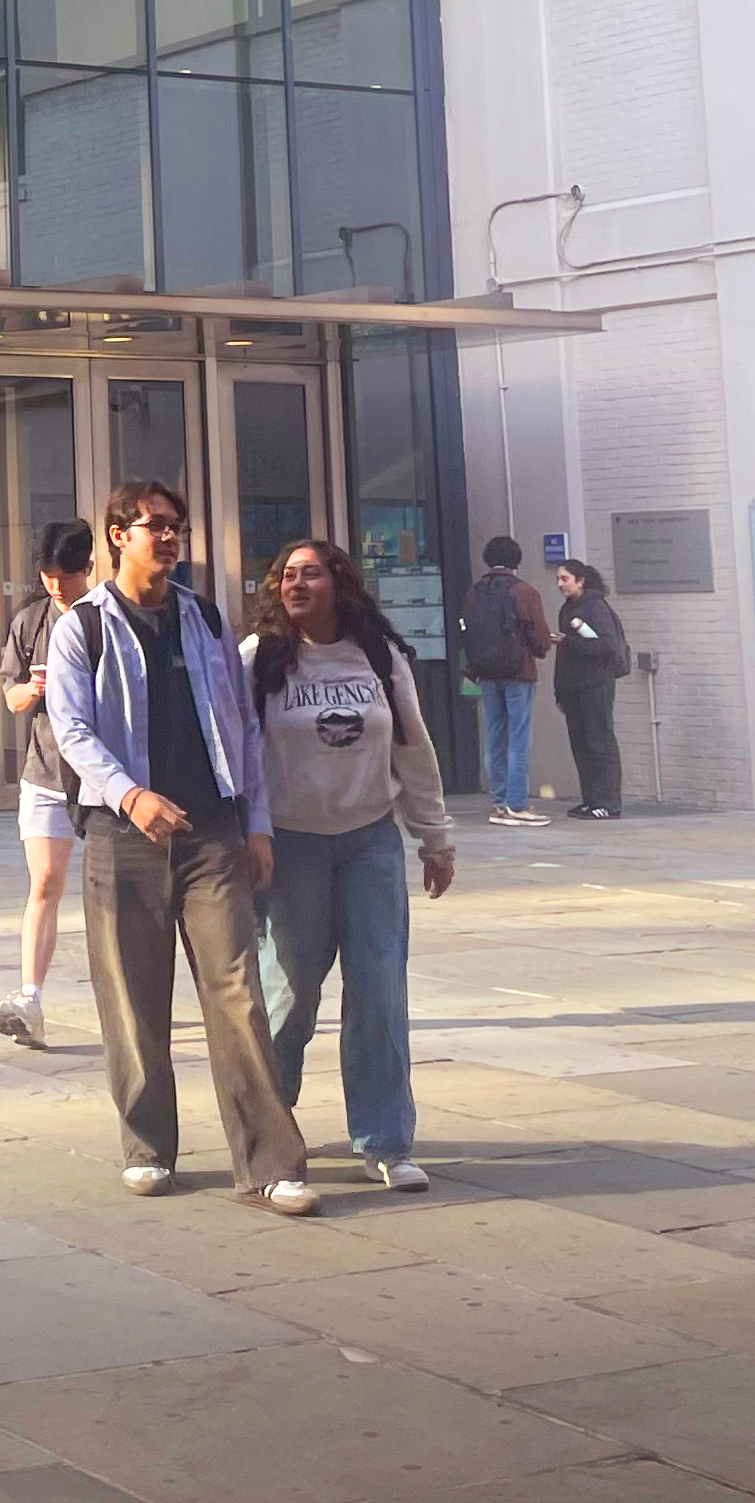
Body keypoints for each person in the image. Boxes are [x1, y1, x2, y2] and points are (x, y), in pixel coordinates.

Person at [47, 479, 317, 1216]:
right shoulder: (83, 627)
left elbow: (241, 725)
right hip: (121, 836)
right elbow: (71, 731)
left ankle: (269, 1160)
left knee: (237, 995)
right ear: (116, 535)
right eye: (153, 526)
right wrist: (130, 795)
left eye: (176, 528)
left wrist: (254, 821)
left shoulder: (202, 617)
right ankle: (147, 1146)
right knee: (133, 1000)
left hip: (211, 833)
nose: (168, 538)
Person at [243, 538, 455, 1194]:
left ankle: (386, 1142)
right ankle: (271, 1139)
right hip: (289, 844)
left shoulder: (377, 656)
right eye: (284, 575)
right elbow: (237, 755)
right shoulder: (259, 659)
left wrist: (433, 835)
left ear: (339, 582)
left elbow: (411, 746)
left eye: (309, 573)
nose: (294, 583)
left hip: (368, 842)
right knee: (288, 997)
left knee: (378, 991)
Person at [0, 518, 97, 1050]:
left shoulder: (109, 618)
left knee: (124, 893)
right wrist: (33, 689)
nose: (58, 586)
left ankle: (136, 992)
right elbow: (10, 698)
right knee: (45, 884)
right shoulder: (31, 621)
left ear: (89, 570)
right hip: (48, 772)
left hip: (108, 779)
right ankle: (29, 996)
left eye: (68, 576)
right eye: (49, 575)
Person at [462, 536, 554, 826]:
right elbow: (537, 635)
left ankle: (499, 802)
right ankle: (517, 804)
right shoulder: (523, 591)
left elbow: (465, 629)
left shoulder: (475, 592)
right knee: (518, 738)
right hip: (519, 672)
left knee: (494, 739)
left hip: (486, 672)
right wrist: (542, 648)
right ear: (516, 560)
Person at [552, 559, 626, 819]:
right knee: (581, 744)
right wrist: (559, 690)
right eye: (559, 579)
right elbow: (563, 657)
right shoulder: (567, 609)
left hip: (595, 685)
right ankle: (591, 799)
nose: (560, 584)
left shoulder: (595, 607)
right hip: (573, 687)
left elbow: (607, 647)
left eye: (565, 579)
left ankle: (608, 802)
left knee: (600, 742)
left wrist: (568, 641)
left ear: (580, 580)